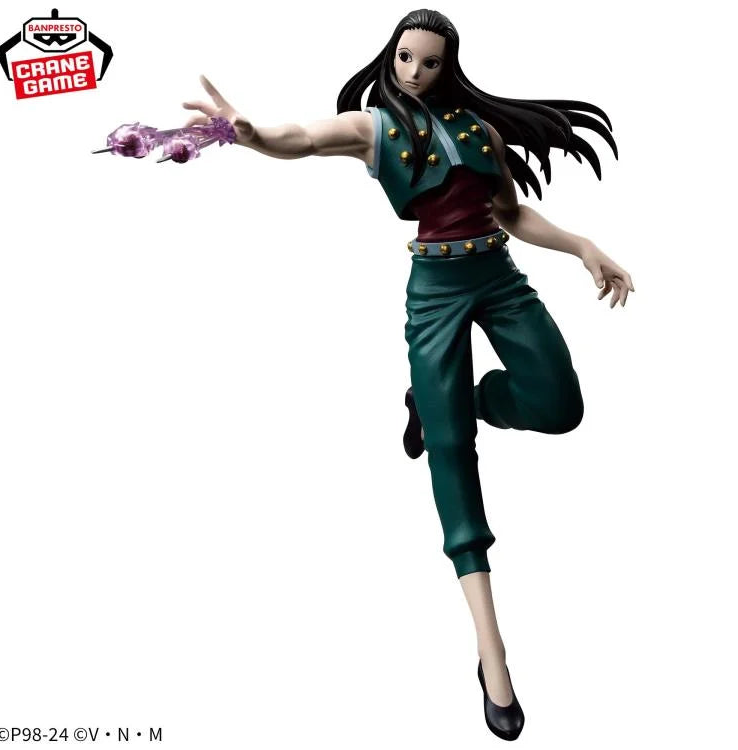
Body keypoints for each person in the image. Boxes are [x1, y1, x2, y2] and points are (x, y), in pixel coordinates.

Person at [182, 8, 634, 741]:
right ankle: (492, 652)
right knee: (451, 454)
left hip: (499, 278)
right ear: (389, 56)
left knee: (559, 404)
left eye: (428, 61)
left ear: (447, 65)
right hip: (435, 290)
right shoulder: (374, 128)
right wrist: (249, 133)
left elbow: (511, 213)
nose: (414, 71)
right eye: (404, 57)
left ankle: (446, 402)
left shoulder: (478, 130)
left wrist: (583, 245)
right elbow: (301, 139)